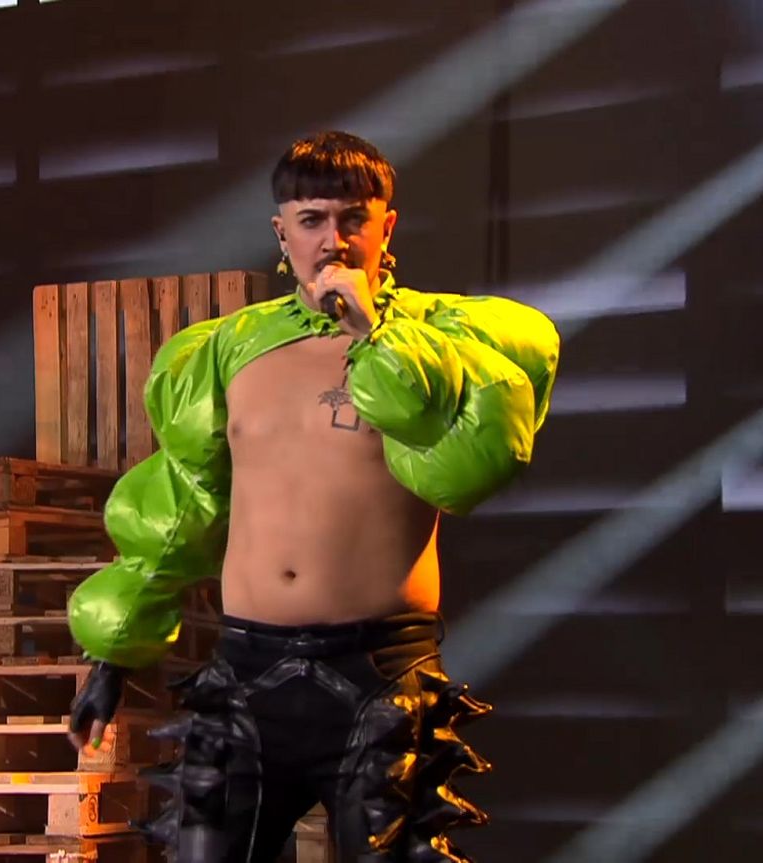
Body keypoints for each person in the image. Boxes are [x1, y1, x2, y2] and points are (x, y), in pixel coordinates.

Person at [64, 131, 559, 862]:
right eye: (312, 220)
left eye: (354, 218)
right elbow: (182, 506)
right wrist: (113, 657)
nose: (334, 240)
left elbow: (469, 474)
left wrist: (375, 333)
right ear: (282, 233)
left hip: (379, 675)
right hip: (244, 675)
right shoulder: (228, 349)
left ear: (387, 226)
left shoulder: (448, 346)